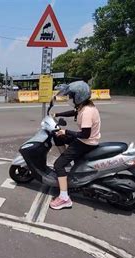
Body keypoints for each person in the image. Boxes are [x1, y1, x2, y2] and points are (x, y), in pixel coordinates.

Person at [49, 81, 101, 210]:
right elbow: (74, 112)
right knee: (58, 137)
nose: (70, 99)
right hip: (87, 141)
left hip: (86, 143)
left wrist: (66, 131)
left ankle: (64, 198)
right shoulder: (84, 107)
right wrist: (57, 114)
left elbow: (85, 134)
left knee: (57, 165)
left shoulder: (87, 111)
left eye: (71, 96)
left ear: (79, 96)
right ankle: (67, 163)